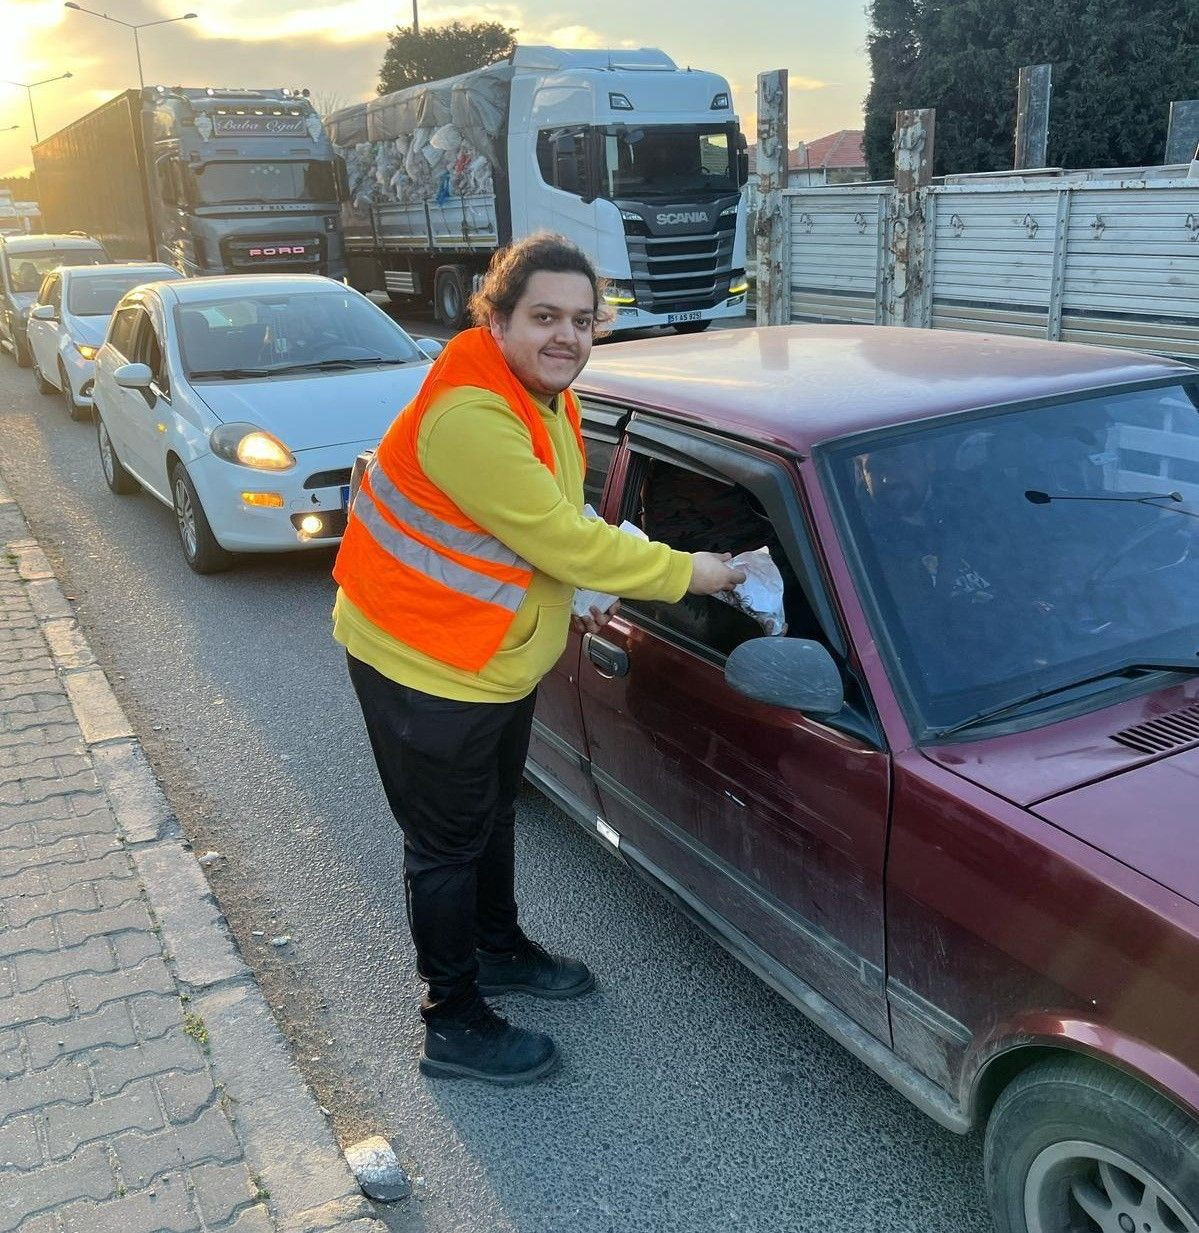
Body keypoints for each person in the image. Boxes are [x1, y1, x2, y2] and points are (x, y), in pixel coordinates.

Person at [332, 233, 745, 1087]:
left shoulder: (542, 393)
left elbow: (545, 524)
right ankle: (451, 1019)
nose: (566, 335)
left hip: (489, 659)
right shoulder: (471, 414)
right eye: (544, 316)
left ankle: (497, 947)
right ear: (498, 316)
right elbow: (560, 534)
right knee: (443, 845)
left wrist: (579, 580)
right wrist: (689, 572)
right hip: (421, 662)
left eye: (582, 320)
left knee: (490, 818)